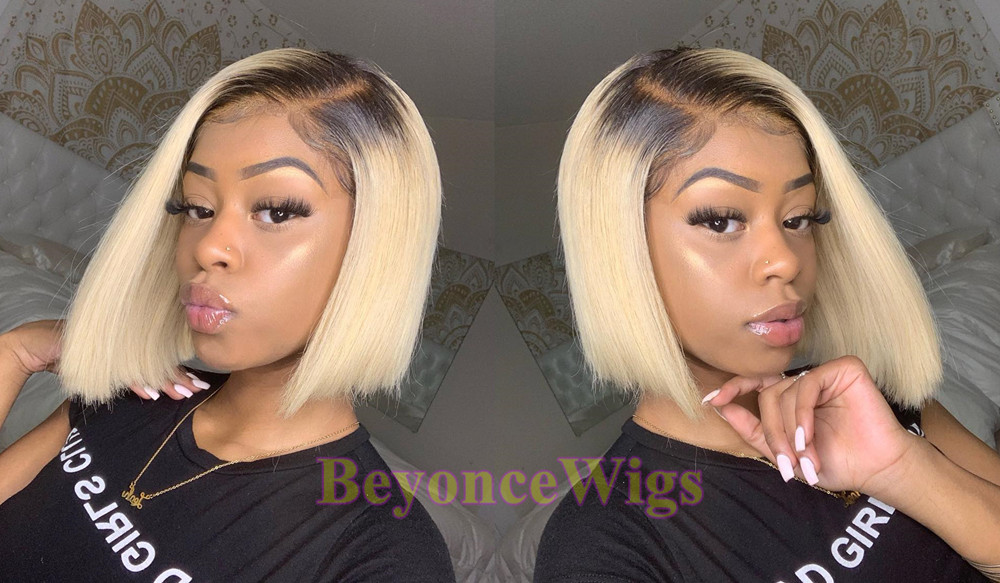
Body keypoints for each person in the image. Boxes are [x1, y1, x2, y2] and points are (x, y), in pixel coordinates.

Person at [534, 47, 1000, 583]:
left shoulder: (867, 397)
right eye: (722, 221)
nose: (785, 259)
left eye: (799, 218)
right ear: (618, 251)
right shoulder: (603, 546)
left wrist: (904, 468)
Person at [0, 48, 455, 581]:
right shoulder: (127, 394)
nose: (208, 245)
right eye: (198, 208)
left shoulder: (381, 554)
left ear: (378, 250)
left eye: (276, 211)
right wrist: (14, 352)